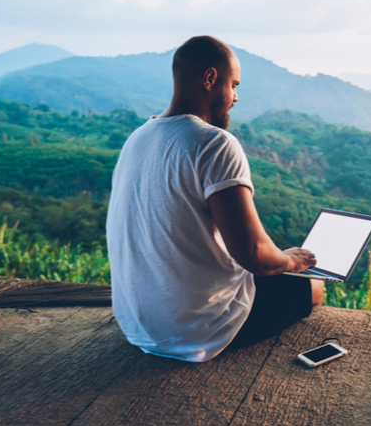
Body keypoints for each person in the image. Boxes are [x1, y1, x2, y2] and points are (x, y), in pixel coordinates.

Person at [106, 35, 323, 362]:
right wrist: (293, 260)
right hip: (194, 331)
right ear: (209, 79)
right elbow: (253, 255)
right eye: (233, 85)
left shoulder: (138, 138)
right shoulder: (215, 143)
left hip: (137, 325)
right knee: (313, 288)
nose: (235, 97)